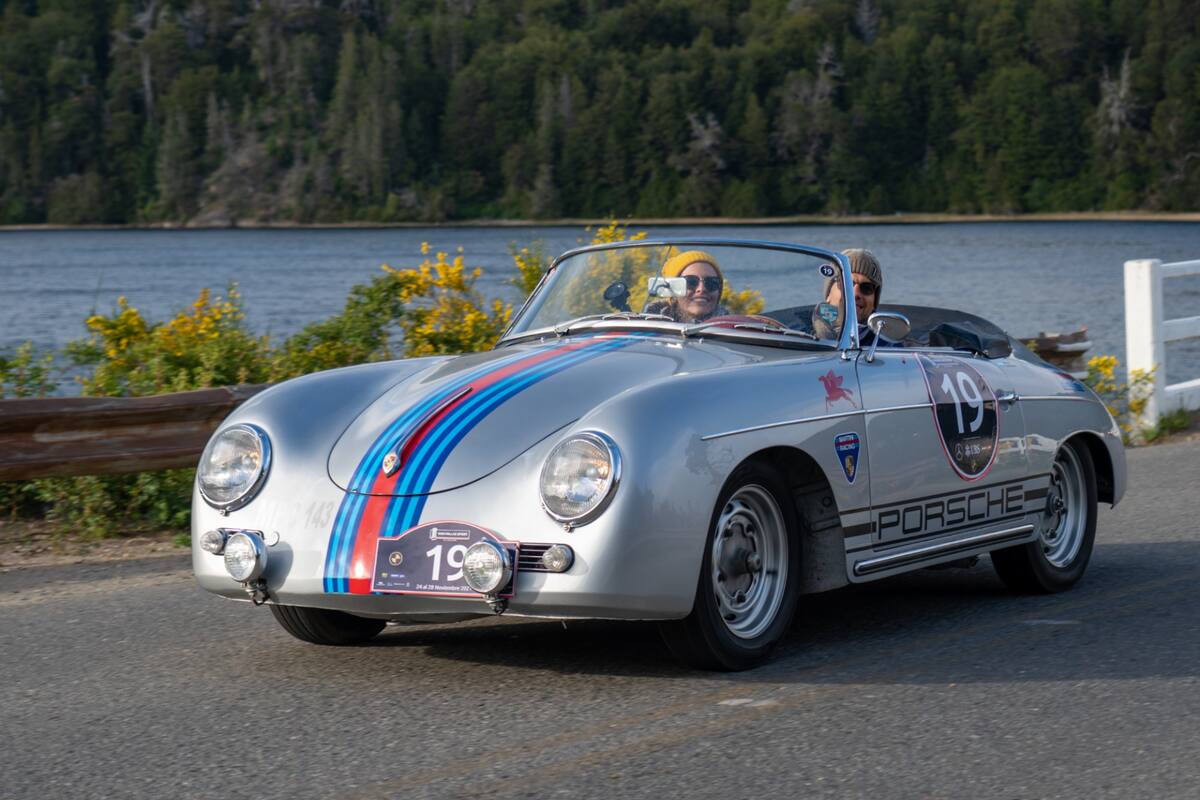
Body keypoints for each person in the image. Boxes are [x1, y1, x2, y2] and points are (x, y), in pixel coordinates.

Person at [814, 248, 896, 345]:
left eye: (867, 288)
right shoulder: (798, 336)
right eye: (846, 284)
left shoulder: (890, 347)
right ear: (828, 294)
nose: (855, 294)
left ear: (874, 302)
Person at [644, 250, 730, 322]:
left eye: (712, 283)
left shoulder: (733, 330)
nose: (701, 289)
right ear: (672, 288)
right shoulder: (644, 327)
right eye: (691, 282)